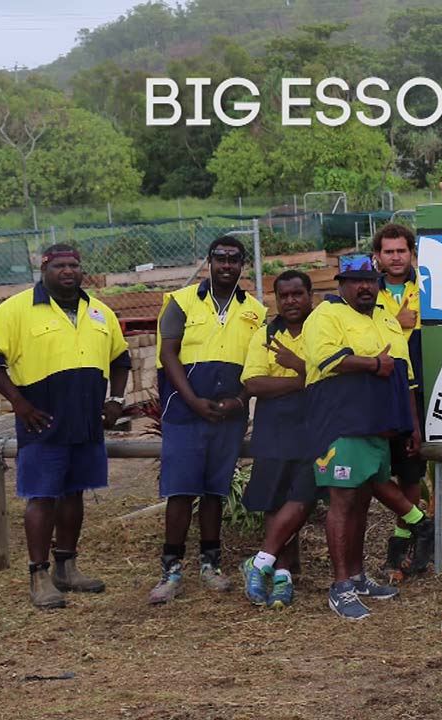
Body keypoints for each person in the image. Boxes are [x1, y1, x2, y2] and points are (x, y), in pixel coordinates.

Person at [0, 245, 130, 609]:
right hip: (43, 421)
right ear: (44, 268)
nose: (68, 271)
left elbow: (120, 358)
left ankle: (67, 568)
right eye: (59, 265)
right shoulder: (17, 309)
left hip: (87, 421)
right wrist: (19, 403)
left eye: (74, 264)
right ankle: (39, 576)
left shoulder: (98, 311)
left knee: (74, 494)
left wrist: (115, 400)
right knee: (42, 496)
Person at [302, 254, 431, 620]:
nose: (364, 287)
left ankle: (358, 577)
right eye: (355, 281)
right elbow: (326, 359)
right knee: (342, 500)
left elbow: (403, 375)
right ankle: (340, 586)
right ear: (340, 284)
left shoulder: (386, 318)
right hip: (339, 422)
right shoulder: (325, 316)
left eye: (370, 280)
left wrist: (412, 426)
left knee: (361, 500)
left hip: (379, 424)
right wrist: (374, 364)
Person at [150, 237, 265, 604]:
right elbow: (168, 355)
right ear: (209, 262)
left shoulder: (256, 311)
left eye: (234, 259)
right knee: (181, 492)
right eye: (220, 259)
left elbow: (257, 365)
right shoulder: (180, 302)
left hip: (228, 415)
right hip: (185, 412)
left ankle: (211, 565)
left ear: (243, 264)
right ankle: (171, 570)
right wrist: (193, 401)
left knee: (215, 490)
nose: (226, 265)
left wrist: (241, 399)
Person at [239, 270, 318, 609]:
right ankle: (281, 573)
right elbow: (254, 384)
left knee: (300, 497)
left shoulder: (323, 330)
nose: (291, 301)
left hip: (314, 428)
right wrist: (303, 378)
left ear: (309, 295)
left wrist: (293, 364)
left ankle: (263, 563)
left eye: (297, 294)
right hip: (274, 428)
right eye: (283, 296)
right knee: (273, 500)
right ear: (275, 299)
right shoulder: (264, 335)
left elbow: (332, 374)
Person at [372, 223, 429, 582]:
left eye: (402, 250)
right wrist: (395, 320)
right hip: (376, 390)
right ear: (377, 257)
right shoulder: (363, 290)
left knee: (410, 467)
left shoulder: (427, 286)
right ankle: (418, 523)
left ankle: (402, 539)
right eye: (388, 251)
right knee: (373, 470)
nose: (395, 257)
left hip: (417, 387)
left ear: (412, 253)